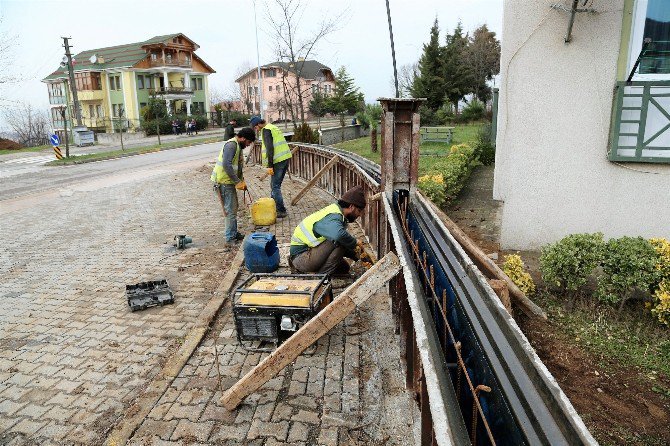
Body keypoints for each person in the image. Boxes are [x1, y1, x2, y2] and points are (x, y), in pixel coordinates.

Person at [289, 185, 366, 276]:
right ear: (351, 207)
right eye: (359, 210)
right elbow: (339, 236)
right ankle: (321, 279)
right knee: (339, 241)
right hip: (301, 258)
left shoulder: (337, 211)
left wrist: (358, 256)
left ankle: (314, 272)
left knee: (344, 268)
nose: (360, 214)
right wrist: (355, 242)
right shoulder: (334, 216)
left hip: (310, 252)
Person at [211, 127, 256, 245]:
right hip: (223, 182)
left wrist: (241, 180)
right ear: (243, 138)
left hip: (228, 182)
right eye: (248, 142)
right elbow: (227, 165)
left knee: (234, 208)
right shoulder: (231, 145)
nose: (248, 145)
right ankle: (230, 238)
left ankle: (234, 233)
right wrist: (237, 182)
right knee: (230, 210)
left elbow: (237, 166)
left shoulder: (237, 145)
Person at [250, 116, 291, 218]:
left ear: (259, 124)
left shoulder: (266, 130)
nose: (256, 129)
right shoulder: (272, 127)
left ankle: (281, 210)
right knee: (275, 185)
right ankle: (273, 207)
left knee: (275, 186)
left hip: (277, 161)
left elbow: (270, 149)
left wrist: (270, 166)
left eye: (255, 127)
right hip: (285, 158)